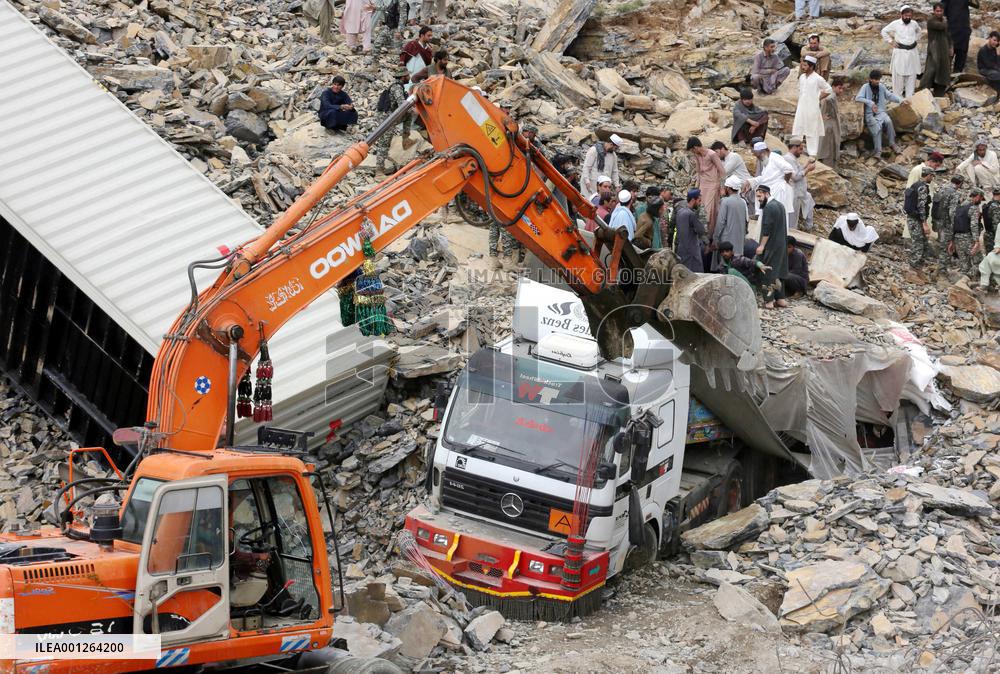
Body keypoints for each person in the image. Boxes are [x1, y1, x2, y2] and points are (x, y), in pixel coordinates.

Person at [745, 142, 796, 227]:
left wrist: (785, 181)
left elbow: (789, 169)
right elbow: (765, 177)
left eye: (758, 156)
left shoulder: (775, 158)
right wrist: (750, 181)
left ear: (763, 152)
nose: (758, 158)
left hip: (778, 192)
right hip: (770, 191)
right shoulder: (766, 160)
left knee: (776, 220)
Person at [755, 185, 789, 309]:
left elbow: (767, 230)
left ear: (766, 193)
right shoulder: (780, 205)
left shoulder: (769, 207)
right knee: (779, 271)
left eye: (759, 196)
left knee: (768, 271)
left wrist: (762, 246)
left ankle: (769, 301)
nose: (758, 199)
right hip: (781, 245)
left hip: (771, 245)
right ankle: (780, 299)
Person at [792, 55, 832, 157]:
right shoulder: (801, 77)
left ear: (811, 66)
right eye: (802, 65)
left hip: (812, 108)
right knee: (798, 126)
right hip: (801, 106)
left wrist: (817, 98)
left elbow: (828, 90)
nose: (803, 67)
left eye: (805, 65)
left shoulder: (818, 78)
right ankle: (795, 149)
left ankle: (812, 154)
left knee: (812, 130)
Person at [856, 70, 903, 155]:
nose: (878, 81)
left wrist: (901, 100)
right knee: (877, 129)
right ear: (870, 79)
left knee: (888, 121)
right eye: (875, 79)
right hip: (870, 114)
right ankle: (878, 151)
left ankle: (892, 143)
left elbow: (889, 96)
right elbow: (858, 98)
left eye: (878, 79)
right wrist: (871, 103)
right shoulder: (865, 87)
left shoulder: (881, 87)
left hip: (880, 112)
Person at [375, 68, 412, 175]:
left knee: (408, 115)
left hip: (390, 116)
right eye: (407, 76)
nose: (409, 78)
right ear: (403, 77)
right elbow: (402, 104)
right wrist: (413, 110)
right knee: (384, 143)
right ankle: (379, 170)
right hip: (386, 118)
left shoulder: (398, 87)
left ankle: (406, 139)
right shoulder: (396, 88)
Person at [686, 137, 726, 237]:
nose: (692, 152)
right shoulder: (697, 155)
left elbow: (722, 172)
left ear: (695, 147)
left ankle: (709, 235)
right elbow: (699, 172)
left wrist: (722, 187)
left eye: (692, 150)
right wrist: (696, 187)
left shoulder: (712, 154)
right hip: (702, 186)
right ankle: (702, 234)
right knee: (700, 209)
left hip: (712, 185)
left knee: (709, 211)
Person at [881, 6, 923, 99]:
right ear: (901, 15)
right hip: (900, 53)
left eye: (910, 16)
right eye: (906, 15)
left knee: (911, 76)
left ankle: (910, 99)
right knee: (898, 77)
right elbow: (884, 31)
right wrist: (891, 41)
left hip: (912, 53)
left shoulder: (914, 24)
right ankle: (897, 100)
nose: (908, 17)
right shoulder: (895, 24)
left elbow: (919, 31)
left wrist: (915, 40)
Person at [711, 176, 749, 271]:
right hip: (739, 243)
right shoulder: (743, 202)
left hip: (726, 242)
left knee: (725, 268)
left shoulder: (726, 202)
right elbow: (746, 223)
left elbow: (720, 222)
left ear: (728, 188)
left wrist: (715, 239)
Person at [783, 137, 816, 231]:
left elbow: (797, 170)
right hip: (793, 193)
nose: (801, 152)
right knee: (791, 221)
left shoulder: (792, 158)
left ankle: (808, 226)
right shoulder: (788, 159)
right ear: (794, 147)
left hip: (798, 193)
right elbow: (795, 177)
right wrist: (808, 169)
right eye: (800, 149)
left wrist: (806, 164)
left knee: (808, 201)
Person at [920, 4, 952, 96]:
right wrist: (945, 20)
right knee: (931, 69)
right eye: (937, 11)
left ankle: (939, 92)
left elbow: (948, 34)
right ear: (934, 11)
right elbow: (942, 26)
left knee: (943, 69)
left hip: (944, 48)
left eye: (940, 11)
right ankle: (923, 91)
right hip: (934, 48)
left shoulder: (943, 20)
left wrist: (951, 46)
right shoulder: (931, 21)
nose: (939, 13)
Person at [950, 189, 984, 276]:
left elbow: (953, 223)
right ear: (977, 197)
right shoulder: (973, 208)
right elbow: (974, 225)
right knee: (978, 260)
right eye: (981, 198)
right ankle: (972, 280)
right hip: (968, 238)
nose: (981, 201)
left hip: (958, 237)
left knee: (964, 262)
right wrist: (976, 241)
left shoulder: (960, 206)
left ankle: (963, 280)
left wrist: (952, 240)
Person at [905, 167, 934, 268]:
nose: (932, 178)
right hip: (916, 220)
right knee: (918, 243)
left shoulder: (915, 184)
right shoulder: (922, 187)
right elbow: (921, 206)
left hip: (913, 218)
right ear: (928, 175)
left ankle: (920, 264)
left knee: (923, 242)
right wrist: (925, 223)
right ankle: (913, 266)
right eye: (932, 176)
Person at [933, 175, 964, 266]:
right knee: (946, 246)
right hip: (947, 223)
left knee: (941, 242)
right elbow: (952, 212)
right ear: (960, 183)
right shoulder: (955, 193)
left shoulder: (941, 188)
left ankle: (941, 262)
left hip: (937, 220)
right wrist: (956, 226)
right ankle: (942, 269)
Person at [675, 189, 706, 272]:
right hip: (691, 251)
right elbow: (701, 230)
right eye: (699, 200)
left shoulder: (680, 212)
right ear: (693, 200)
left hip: (681, 250)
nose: (700, 203)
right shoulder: (690, 214)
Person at [817, 76, 845, 167]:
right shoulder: (831, 97)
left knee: (828, 147)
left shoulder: (831, 96)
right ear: (833, 87)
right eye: (839, 88)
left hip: (829, 125)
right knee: (829, 148)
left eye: (842, 88)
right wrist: (821, 115)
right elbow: (825, 101)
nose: (841, 91)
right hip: (829, 127)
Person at [371, 0, 408, 66]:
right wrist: (376, 7)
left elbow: (403, 17)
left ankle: (399, 70)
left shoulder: (402, 2)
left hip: (396, 29)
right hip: (388, 27)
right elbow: (388, 8)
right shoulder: (393, 1)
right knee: (377, 43)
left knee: (397, 51)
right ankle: (374, 65)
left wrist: (399, 31)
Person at [979, 187, 1000, 289]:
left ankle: (989, 284)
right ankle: (993, 284)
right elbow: (997, 225)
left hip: (988, 234)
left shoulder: (988, 205)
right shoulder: (996, 207)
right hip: (993, 236)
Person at [943, 0, 973, 72]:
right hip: (951, 30)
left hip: (964, 31)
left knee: (961, 56)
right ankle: (944, 79)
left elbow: (976, 5)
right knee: (947, 58)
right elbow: (941, 10)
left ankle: (957, 77)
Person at [977, 31, 1000, 105]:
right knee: (996, 74)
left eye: (997, 41)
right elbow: (988, 64)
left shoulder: (994, 49)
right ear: (989, 38)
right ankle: (996, 96)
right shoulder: (983, 50)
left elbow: (996, 62)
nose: (995, 42)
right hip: (984, 69)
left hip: (992, 69)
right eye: (994, 40)